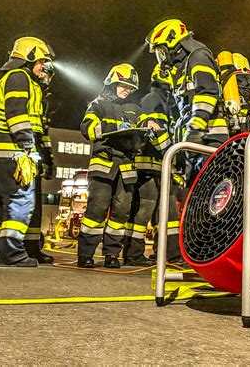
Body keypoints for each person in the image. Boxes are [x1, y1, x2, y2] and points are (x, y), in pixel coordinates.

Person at [0, 37, 54, 267]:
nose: (43, 66)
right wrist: (27, 146)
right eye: (41, 61)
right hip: (13, 150)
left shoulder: (23, 80)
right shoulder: (19, 78)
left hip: (3, 150)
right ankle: (12, 253)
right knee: (21, 201)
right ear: (28, 58)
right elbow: (16, 114)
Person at [78, 63, 145, 269]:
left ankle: (112, 255)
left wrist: (147, 129)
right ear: (111, 82)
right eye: (123, 85)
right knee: (96, 210)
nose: (127, 90)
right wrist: (114, 127)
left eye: (130, 88)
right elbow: (87, 128)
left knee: (120, 213)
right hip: (104, 164)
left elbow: (143, 131)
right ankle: (86, 254)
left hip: (126, 166)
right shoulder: (98, 105)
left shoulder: (135, 109)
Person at [146, 19, 229, 183]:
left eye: (161, 51)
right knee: (198, 198)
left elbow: (207, 92)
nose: (160, 57)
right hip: (196, 143)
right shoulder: (181, 69)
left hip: (210, 139)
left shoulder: (199, 56)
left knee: (213, 193)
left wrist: (195, 127)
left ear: (172, 41)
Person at [137, 64, 182, 263]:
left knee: (170, 215)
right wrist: (168, 151)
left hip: (163, 168)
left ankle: (170, 254)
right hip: (149, 167)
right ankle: (134, 254)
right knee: (143, 212)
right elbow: (152, 130)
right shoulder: (152, 100)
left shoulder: (168, 105)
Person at [24, 61, 56, 264]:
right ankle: (2, 246)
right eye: (44, 72)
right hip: (21, 153)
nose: (46, 78)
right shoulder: (25, 87)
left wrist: (48, 159)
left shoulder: (42, 99)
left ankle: (32, 248)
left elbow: (42, 134)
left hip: (34, 154)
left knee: (34, 204)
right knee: (19, 203)